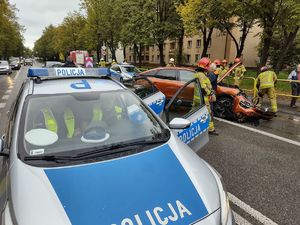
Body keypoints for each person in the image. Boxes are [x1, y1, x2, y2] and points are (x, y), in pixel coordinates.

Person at [193, 57, 218, 135]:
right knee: (208, 114)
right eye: (208, 65)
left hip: (198, 98)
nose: (210, 66)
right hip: (203, 98)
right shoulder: (201, 75)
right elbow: (203, 88)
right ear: (206, 66)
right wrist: (210, 93)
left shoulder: (201, 74)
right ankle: (211, 129)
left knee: (194, 113)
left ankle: (193, 127)